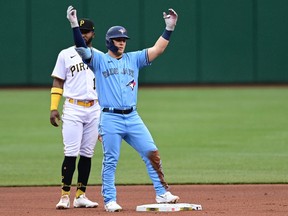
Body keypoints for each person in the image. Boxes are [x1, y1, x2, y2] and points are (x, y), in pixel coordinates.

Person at [66, 5, 179, 212]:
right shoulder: (99, 59)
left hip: (132, 116)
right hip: (110, 118)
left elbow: (158, 49)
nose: (122, 43)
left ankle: (162, 192)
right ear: (109, 41)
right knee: (111, 160)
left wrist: (169, 28)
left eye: (124, 40)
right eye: (118, 40)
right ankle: (110, 199)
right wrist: (74, 24)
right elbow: (81, 49)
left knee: (151, 151)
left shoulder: (133, 58)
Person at [50, 18, 102, 209]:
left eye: (86, 31)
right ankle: (64, 195)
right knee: (70, 153)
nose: (83, 34)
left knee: (87, 154)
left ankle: (81, 195)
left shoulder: (99, 56)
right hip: (73, 108)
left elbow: (105, 88)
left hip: (94, 108)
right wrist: (53, 107)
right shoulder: (65, 54)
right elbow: (58, 81)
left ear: (93, 34)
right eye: (80, 31)